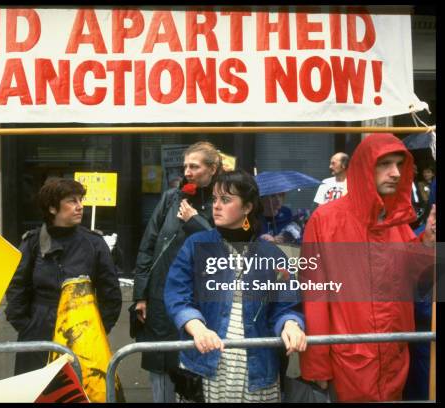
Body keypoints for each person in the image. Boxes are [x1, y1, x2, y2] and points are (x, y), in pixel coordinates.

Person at [299, 133, 436, 402]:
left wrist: (430, 245)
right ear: (364, 168)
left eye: (398, 164)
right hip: (349, 364)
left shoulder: (397, 221)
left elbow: (420, 282)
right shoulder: (324, 220)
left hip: (394, 361)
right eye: (384, 164)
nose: (395, 173)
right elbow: (314, 294)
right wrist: (317, 365)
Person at [164, 170, 306, 402]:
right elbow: (177, 293)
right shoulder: (195, 244)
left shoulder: (272, 254)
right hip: (205, 362)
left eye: (226, 200)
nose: (216, 206)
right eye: (215, 199)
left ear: (248, 207)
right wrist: (195, 325)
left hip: (257, 371)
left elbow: (286, 305)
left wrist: (291, 325)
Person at [133, 141, 222, 403]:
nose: (187, 172)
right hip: (160, 295)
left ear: (213, 168)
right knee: (161, 364)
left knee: (196, 365)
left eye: (194, 166)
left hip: (200, 299)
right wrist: (141, 295)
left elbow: (224, 246)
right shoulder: (171, 198)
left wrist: (195, 221)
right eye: (185, 166)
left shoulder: (223, 201)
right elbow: (147, 246)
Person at [5, 178, 122, 375]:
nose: (79, 207)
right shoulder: (33, 242)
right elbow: (17, 287)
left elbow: (110, 292)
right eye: (71, 201)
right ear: (52, 208)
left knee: (82, 389)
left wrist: (98, 328)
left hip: (83, 330)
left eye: (80, 200)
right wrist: (26, 326)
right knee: (38, 390)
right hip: (39, 330)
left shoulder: (94, 243)